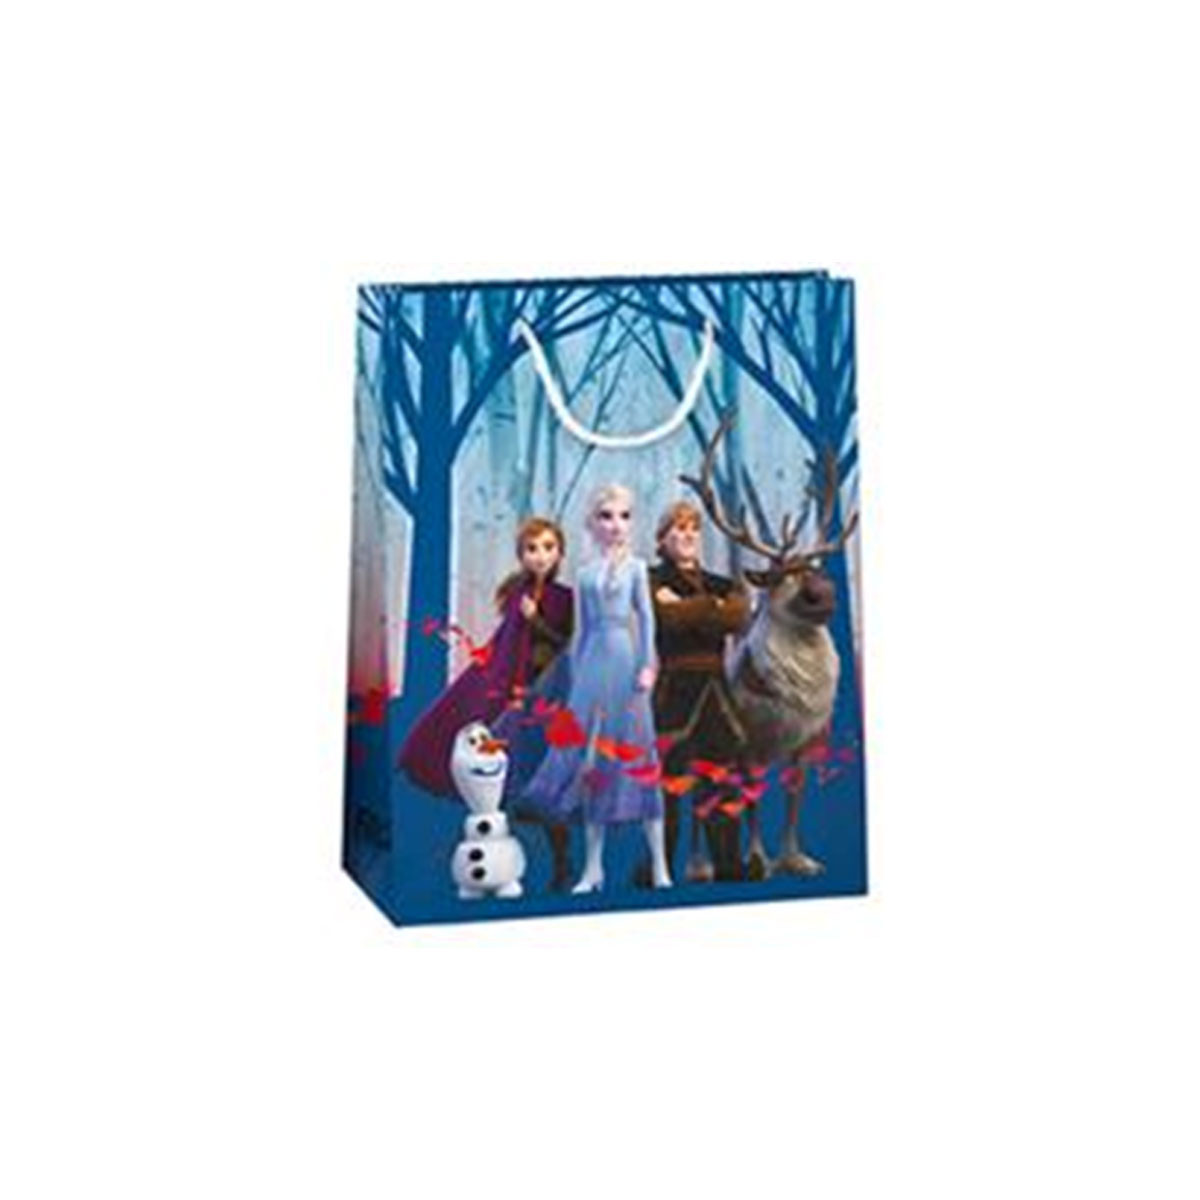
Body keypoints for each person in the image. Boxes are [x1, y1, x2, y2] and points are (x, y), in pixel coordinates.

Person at [521, 484, 671, 893]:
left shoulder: (637, 568)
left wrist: (648, 665)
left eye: (624, 516)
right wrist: (575, 677)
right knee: (593, 763)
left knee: (640, 754)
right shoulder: (585, 574)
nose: (616, 525)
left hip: (626, 660)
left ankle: (660, 866)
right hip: (592, 667)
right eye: (606, 516)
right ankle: (592, 869)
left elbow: (648, 620)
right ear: (592, 523)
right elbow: (582, 631)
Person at [397, 517, 572, 798]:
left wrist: (535, 620)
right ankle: (450, 775)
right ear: (522, 555)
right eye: (532, 548)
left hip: (540, 678)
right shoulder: (517, 592)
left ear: (560, 552)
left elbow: (566, 644)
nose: (541, 556)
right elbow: (507, 637)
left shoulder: (565, 598)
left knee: (520, 736)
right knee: (460, 713)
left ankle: (513, 786)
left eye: (548, 547)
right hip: (501, 670)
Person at [649, 501, 752, 882]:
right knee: (668, 788)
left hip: (717, 695)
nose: (688, 535)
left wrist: (694, 607)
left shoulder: (721, 582)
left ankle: (729, 866)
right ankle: (660, 870)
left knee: (722, 783)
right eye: (679, 528)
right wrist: (712, 608)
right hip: (674, 693)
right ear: (662, 539)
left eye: (694, 528)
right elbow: (668, 619)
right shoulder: (651, 579)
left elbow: (737, 617)